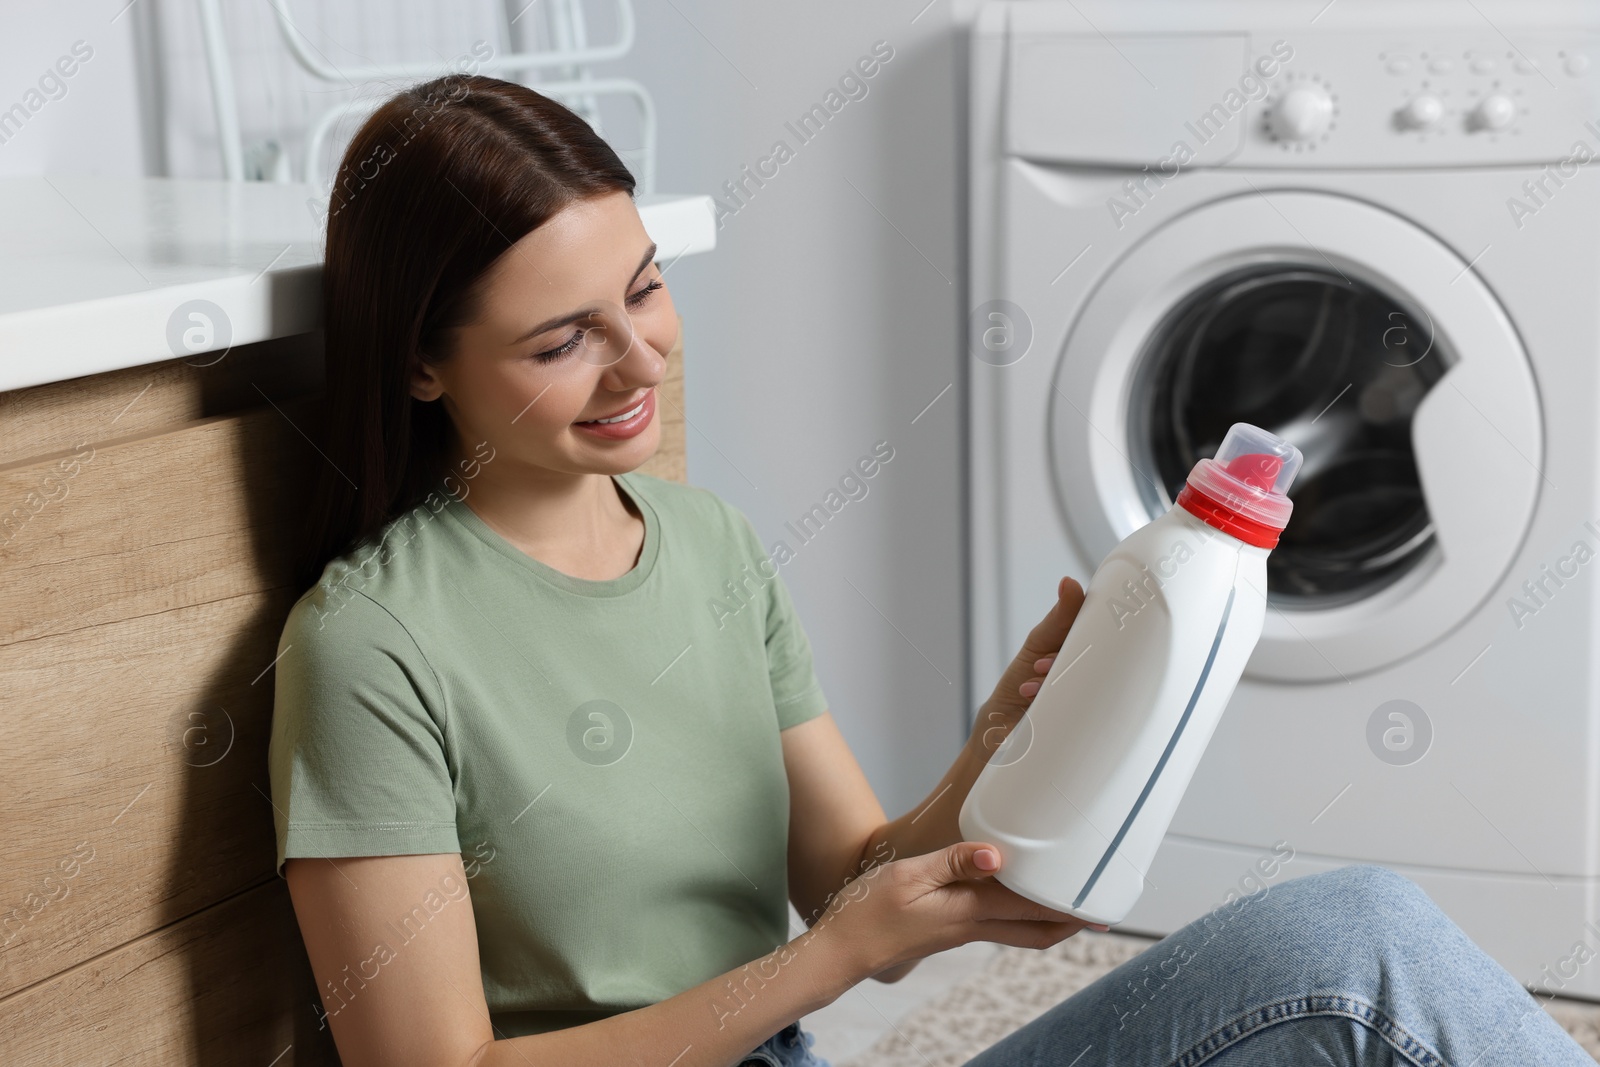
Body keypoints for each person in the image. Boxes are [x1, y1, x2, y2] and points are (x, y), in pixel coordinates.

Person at [268, 74, 1594, 1067]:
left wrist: (991, 760)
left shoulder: (706, 545)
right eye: (564, 340)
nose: (641, 361)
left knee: (1354, 941)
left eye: (647, 287)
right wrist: (830, 964)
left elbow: (847, 873)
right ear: (420, 363)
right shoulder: (375, 645)